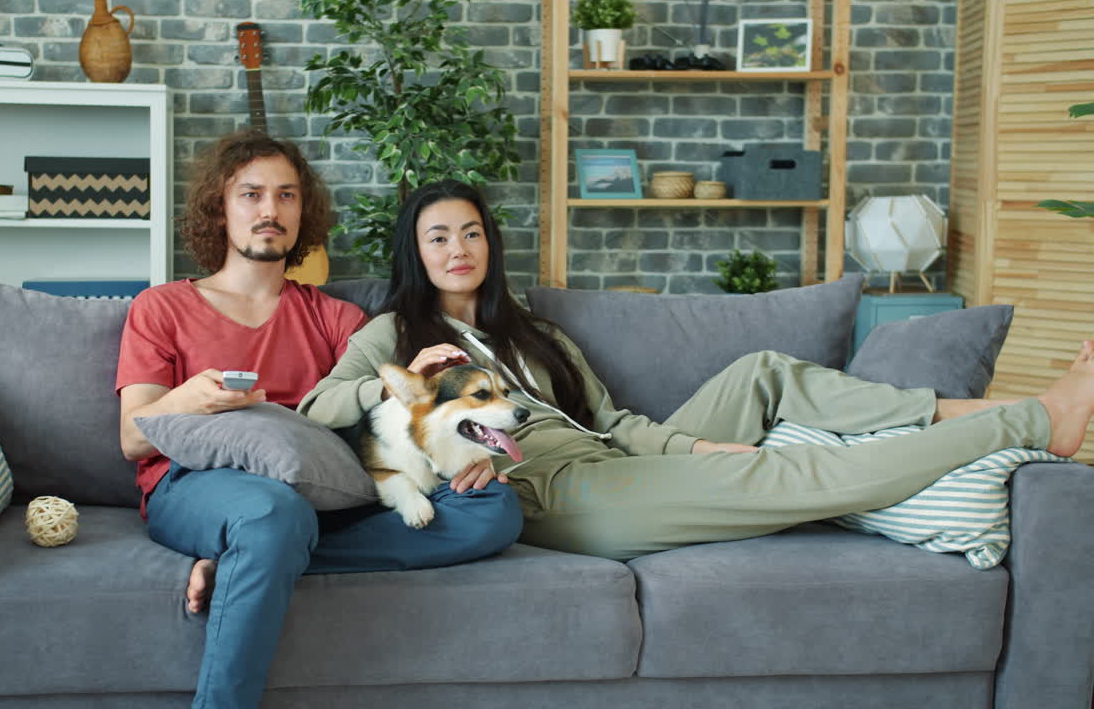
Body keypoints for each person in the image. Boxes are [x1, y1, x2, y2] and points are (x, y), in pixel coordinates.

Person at [299, 178, 1094, 562]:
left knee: (764, 371)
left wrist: (692, 450)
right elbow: (316, 409)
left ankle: (955, 412)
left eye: (470, 233)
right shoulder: (393, 334)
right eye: (438, 237)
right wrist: (391, 379)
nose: (457, 249)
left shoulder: (535, 334)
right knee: (791, 475)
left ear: (489, 245)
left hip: (612, 460)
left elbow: (612, 425)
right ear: (417, 253)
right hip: (554, 492)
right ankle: (1034, 422)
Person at [115, 136, 521, 709]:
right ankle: (256, 557)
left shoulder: (338, 319)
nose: (269, 210)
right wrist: (187, 399)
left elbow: (377, 427)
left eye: (286, 196)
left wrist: (463, 452)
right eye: (250, 194)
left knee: (494, 509)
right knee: (270, 515)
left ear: (303, 213)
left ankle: (249, 564)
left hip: (324, 492)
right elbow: (134, 439)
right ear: (219, 207)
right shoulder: (161, 308)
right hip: (197, 485)